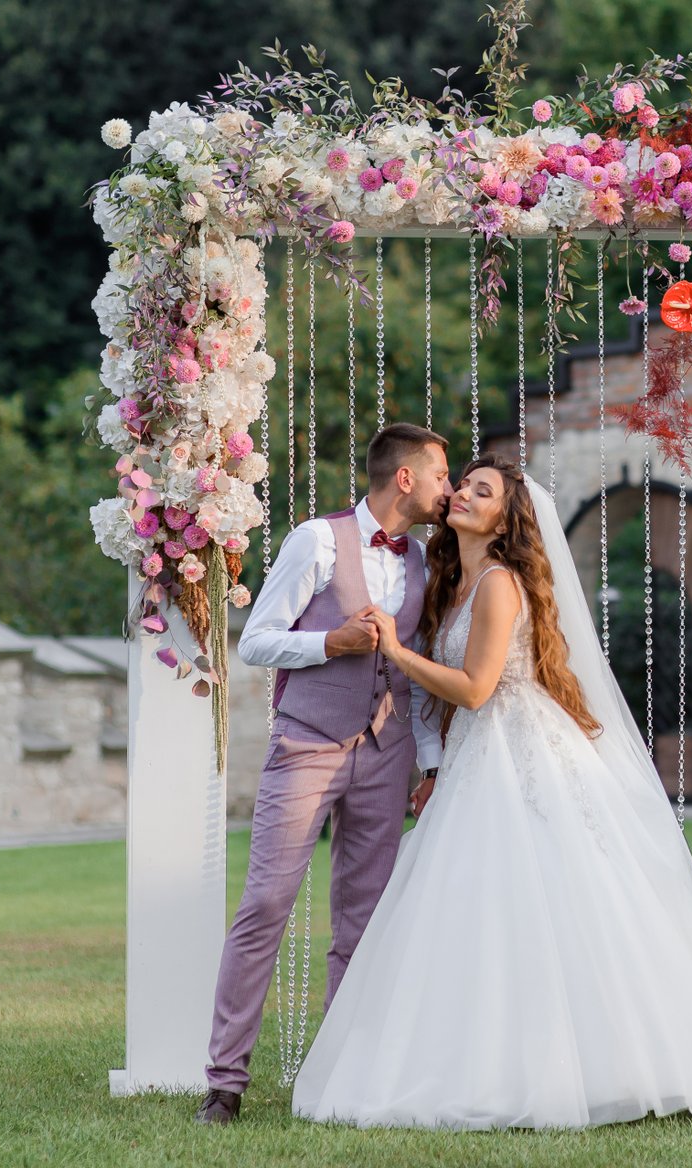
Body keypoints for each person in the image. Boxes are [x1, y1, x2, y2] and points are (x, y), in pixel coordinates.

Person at [291, 453, 692, 1128]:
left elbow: (476, 688)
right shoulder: (451, 581)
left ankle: (598, 1064)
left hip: (520, 749)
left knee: (552, 899)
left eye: (481, 490)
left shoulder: (498, 583)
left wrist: (395, 651)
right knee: (482, 908)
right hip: (476, 757)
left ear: (505, 518)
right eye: (463, 484)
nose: (463, 493)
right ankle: (491, 1060)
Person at [195, 423, 453, 1125]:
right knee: (266, 907)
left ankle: (343, 1077)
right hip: (308, 742)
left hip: (389, 751)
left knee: (363, 922)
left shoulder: (428, 561)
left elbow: (419, 679)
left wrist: (428, 766)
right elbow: (254, 640)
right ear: (405, 477)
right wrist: (330, 642)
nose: (447, 488)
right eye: (440, 475)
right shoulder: (315, 539)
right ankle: (224, 1082)